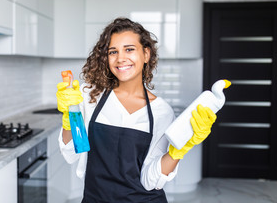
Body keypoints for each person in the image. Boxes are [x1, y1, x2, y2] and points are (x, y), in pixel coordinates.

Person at [56, 17, 216, 203]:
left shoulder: (161, 112)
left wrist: (178, 151)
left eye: (129, 49)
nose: (120, 58)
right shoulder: (89, 96)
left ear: (146, 54)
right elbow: (72, 152)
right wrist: (70, 116)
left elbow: (150, 181)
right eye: (113, 51)